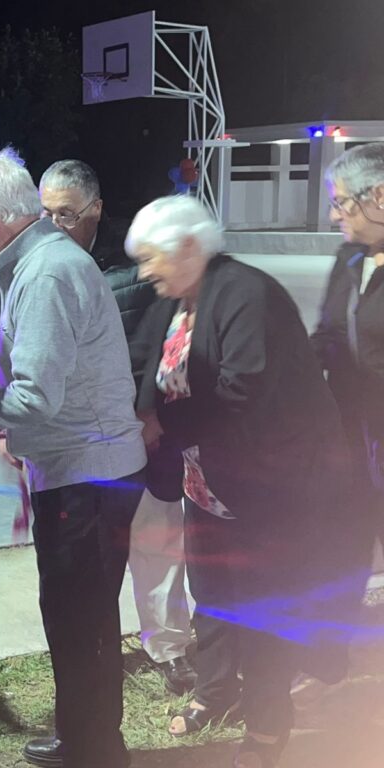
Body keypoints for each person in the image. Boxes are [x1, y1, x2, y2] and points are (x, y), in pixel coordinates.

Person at [128, 195, 352, 768]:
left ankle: (269, 722)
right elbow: (144, 364)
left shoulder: (245, 295)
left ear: (187, 248)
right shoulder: (177, 298)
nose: (144, 271)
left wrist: (161, 423)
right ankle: (217, 691)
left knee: (262, 607)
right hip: (206, 481)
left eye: (151, 257)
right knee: (213, 594)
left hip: (269, 484)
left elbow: (240, 393)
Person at [0, 147, 146, 768]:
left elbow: (34, 397)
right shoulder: (40, 263)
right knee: (75, 615)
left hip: (88, 475)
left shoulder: (46, 274)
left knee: (81, 619)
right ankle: (83, 737)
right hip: (81, 469)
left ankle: (95, 750)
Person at [39, 159, 196, 699]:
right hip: (81, 444)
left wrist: (150, 414)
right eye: (46, 213)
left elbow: (163, 346)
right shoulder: (41, 268)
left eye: (66, 214)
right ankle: (97, 647)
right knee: (94, 559)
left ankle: (169, 647)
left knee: (157, 542)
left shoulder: (136, 266)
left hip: (142, 433)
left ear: (96, 209)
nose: (55, 225)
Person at [311, 142, 384, 553]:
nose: (334, 215)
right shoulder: (350, 257)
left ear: (379, 196)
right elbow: (328, 335)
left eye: (340, 202)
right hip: (350, 439)